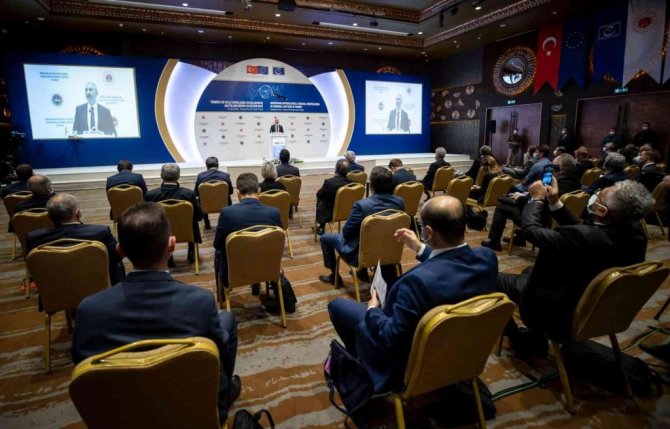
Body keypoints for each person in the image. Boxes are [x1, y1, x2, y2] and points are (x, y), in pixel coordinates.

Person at [71, 202, 240, 425]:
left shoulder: (88, 310)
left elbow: (82, 367)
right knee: (227, 320)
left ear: (120, 251)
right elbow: (218, 347)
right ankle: (220, 395)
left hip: (121, 415)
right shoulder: (200, 301)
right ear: (172, 245)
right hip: (190, 409)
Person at [327, 195, 498, 392]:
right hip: (462, 351)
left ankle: (365, 365)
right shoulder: (487, 258)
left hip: (410, 362)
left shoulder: (417, 283)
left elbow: (391, 337)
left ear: (428, 232)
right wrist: (420, 248)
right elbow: (452, 264)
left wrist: (373, 310)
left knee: (337, 306)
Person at [496, 179, 652, 344]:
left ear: (602, 211)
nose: (594, 197)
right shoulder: (635, 234)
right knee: (529, 271)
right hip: (598, 309)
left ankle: (519, 338)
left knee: (485, 277)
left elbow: (531, 231)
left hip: (553, 310)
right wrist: (555, 202)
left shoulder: (583, 237)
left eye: (599, 197)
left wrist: (536, 199)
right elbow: (586, 229)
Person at [318, 166, 405, 286]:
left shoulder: (362, 205)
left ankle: (335, 277)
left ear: (372, 185)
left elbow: (346, 232)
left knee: (325, 238)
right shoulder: (400, 202)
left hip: (361, 254)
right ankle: (362, 272)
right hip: (389, 251)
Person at [482, 153, 581, 251]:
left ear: (558, 167)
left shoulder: (552, 184)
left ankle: (494, 242)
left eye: (552, 165)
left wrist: (520, 198)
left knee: (502, 206)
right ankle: (520, 239)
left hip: (539, 222)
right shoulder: (577, 183)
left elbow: (535, 202)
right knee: (510, 201)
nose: (550, 168)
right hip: (561, 223)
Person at [26, 193, 125, 284]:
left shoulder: (33, 238)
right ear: (78, 213)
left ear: (49, 216)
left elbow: (32, 265)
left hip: (55, 288)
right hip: (98, 287)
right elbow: (117, 257)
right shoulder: (100, 232)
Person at [213, 173, 281, 290]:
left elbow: (217, 244)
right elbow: (279, 242)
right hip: (268, 268)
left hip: (235, 271)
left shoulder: (227, 213)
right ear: (259, 191)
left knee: (218, 253)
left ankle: (222, 295)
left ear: (237, 193)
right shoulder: (274, 212)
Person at [145, 164, 202, 264]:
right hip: (187, 231)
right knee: (192, 220)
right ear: (178, 176)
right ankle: (192, 252)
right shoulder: (189, 194)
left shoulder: (151, 195)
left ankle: (166, 254)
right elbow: (199, 216)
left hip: (161, 232)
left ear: (161, 176)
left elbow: (147, 219)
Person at [194, 157, 233, 229]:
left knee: (201, 198)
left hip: (206, 204)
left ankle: (207, 224)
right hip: (223, 204)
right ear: (218, 165)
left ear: (206, 166)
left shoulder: (200, 176)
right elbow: (231, 192)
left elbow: (196, 193)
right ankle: (226, 222)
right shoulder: (225, 176)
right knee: (228, 197)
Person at [315, 159, 351, 235]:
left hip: (330, 214)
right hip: (348, 212)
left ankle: (321, 225)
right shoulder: (354, 183)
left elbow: (319, 195)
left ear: (336, 169)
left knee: (320, 196)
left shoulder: (329, 183)